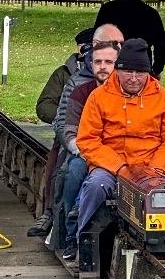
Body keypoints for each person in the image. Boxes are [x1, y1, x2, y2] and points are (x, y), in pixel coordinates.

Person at [76, 39, 165, 241]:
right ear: (117, 71)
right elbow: (88, 140)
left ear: (148, 73)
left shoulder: (164, 98)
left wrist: (155, 170)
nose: (133, 78)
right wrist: (119, 168)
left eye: (139, 73)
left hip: (154, 167)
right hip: (111, 168)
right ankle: (84, 244)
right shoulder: (98, 96)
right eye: (127, 72)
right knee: (96, 186)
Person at [28, 24, 124, 237]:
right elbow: (54, 114)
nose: (104, 65)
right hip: (78, 142)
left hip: (113, 149)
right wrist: (75, 137)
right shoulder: (70, 79)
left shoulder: (126, 83)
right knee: (65, 167)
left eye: (119, 45)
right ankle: (55, 215)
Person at [27, 28, 93, 237]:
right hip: (68, 134)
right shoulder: (63, 74)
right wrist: (65, 119)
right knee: (56, 164)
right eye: (85, 46)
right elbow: (44, 105)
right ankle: (49, 211)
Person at [59, 40, 120, 260]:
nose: (103, 66)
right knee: (73, 171)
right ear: (90, 64)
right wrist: (84, 150)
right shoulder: (80, 92)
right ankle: (71, 233)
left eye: (109, 62)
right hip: (85, 152)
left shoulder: (124, 93)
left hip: (118, 155)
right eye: (98, 62)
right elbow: (69, 130)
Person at [93, 0, 165, 79]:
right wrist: (156, 70)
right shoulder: (151, 14)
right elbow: (160, 45)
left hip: (112, 68)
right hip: (141, 69)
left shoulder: (107, 10)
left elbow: (96, 39)